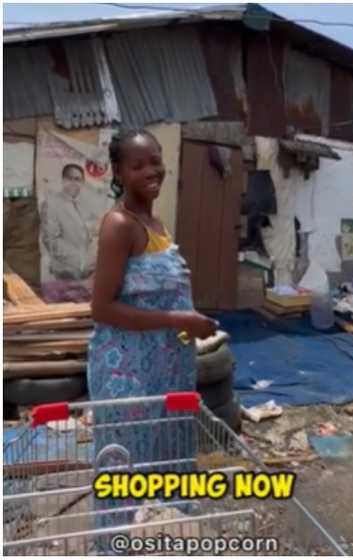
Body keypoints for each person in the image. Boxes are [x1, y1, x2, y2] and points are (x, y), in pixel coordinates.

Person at [88, 129, 218, 550]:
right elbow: (102, 308)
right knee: (126, 471)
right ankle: (115, 549)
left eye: (155, 160)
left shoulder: (155, 222)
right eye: (138, 164)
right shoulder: (119, 225)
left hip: (168, 370)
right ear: (120, 172)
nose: (151, 170)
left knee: (167, 465)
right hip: (128, 372)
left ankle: (162, 543)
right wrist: (180, 317)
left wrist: (188, 323)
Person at [42, 163, 105, 281]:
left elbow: (93, 232)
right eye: (69, 178)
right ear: (63, 180)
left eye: (77, 179)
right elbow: (51, 240)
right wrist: (81, 259)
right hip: (65, 271)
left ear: (82, 183)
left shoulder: (85, 204)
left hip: (89, 271)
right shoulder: (52, 204)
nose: (73, 182)